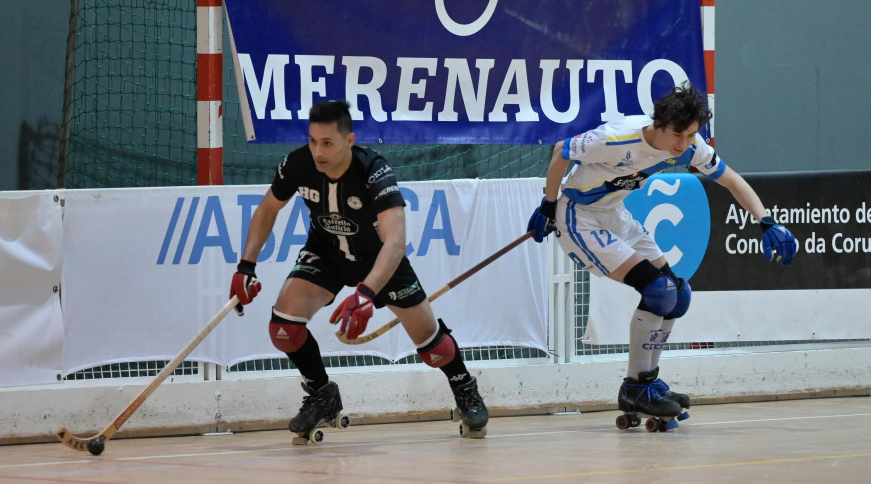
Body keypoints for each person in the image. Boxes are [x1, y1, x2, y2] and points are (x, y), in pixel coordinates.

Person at [526, 83, 797, 423]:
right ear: (660, 124)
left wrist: (767, 221)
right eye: (678, 134)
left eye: (692, 135)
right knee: (658, 290)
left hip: (614, 213)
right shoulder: (615, 138)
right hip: (578, 217)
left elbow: (732, 180)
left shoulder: (688, 147)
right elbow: (560, 151)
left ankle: (644, 385)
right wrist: (549, 205)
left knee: (678, 295)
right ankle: (636, 386)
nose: (683, 145)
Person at [229, 99, 489, 439]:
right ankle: (322, 394)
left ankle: (464, 386)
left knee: (432, 347)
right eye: (312, 141)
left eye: (327, 143)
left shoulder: (374, 171)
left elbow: (395, 243)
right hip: (326, 254)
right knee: (283, 328)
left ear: (348, 142)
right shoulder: (296, 164)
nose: (318, 152)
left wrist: (365, 293)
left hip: (380, 260)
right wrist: (246, 265)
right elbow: (267, 210)